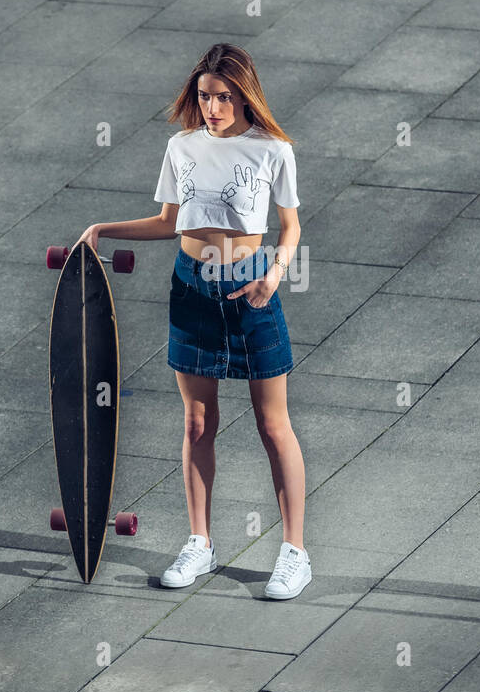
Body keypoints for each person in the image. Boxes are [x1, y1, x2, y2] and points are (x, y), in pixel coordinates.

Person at [76, 43, 310, 600]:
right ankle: (199, 543)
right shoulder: (181, 147)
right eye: (205, 97)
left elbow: (291, 227)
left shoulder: (271, 150)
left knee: (272, 426)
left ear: (244, 95)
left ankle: (294, 553)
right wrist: (103, 228)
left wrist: (274, 274)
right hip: (190, 289)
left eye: (224, 97)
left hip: (251, 288)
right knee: (196, 424)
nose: (213, 108)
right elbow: (167, 223)